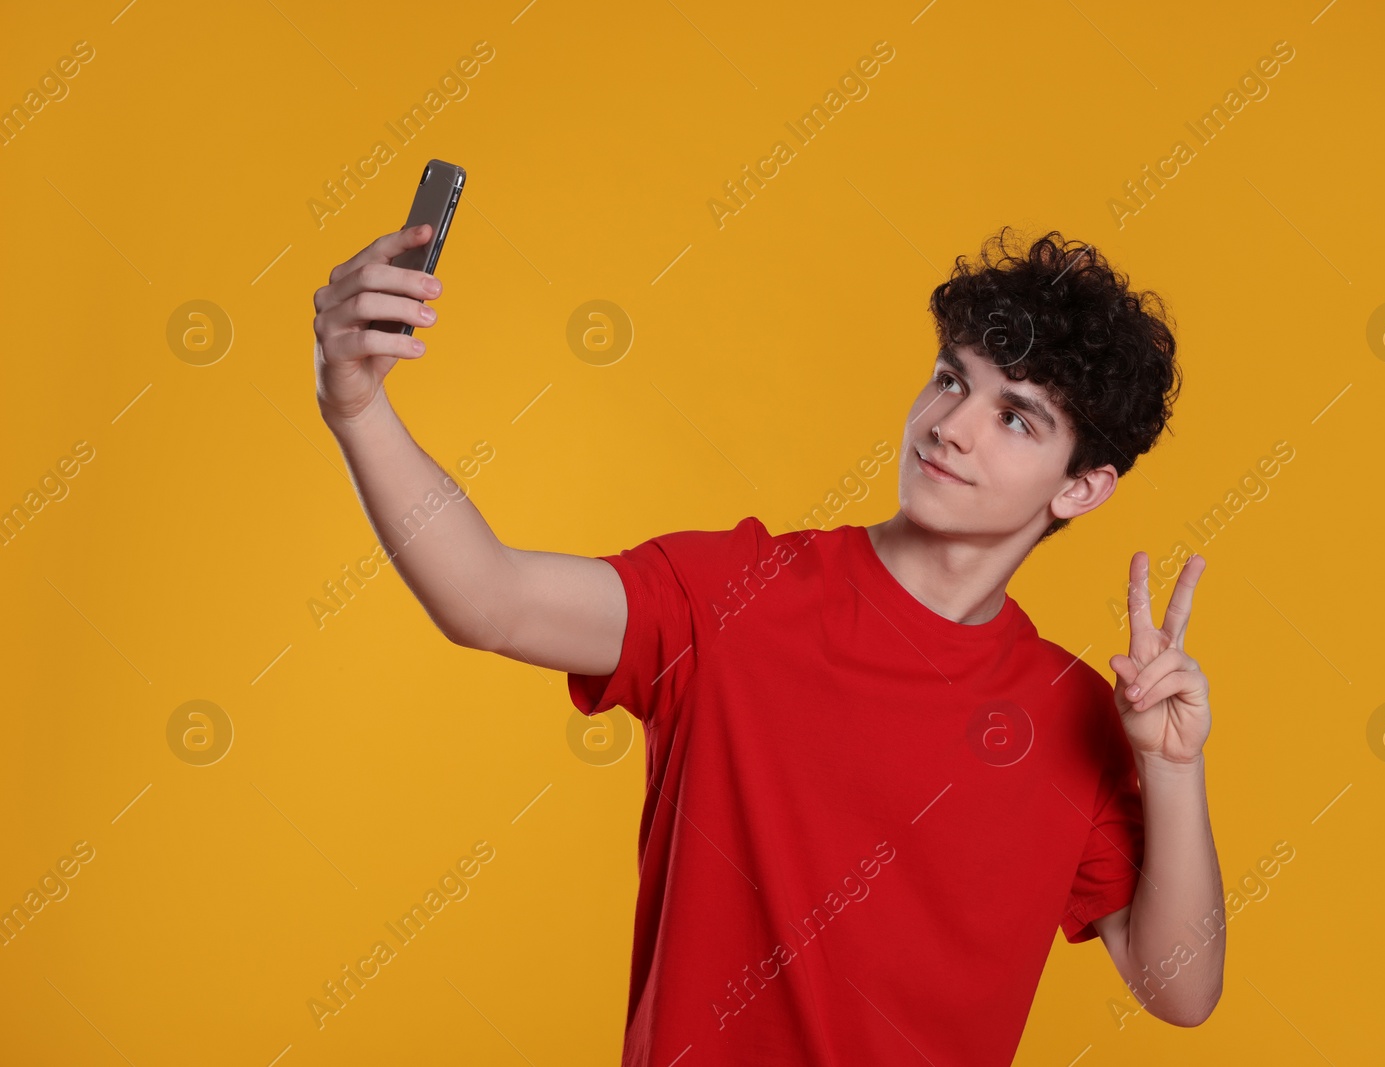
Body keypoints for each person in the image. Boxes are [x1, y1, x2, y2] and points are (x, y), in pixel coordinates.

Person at [312, 224, 1224, 1065]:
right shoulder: (738, 596)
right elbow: (490, 599)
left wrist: (1175, 769)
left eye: (1016, 417)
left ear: (1081, 489)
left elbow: (1180, 988)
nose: (950, 427)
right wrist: (357, 409)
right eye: (951, 379)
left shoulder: (1071, 713)